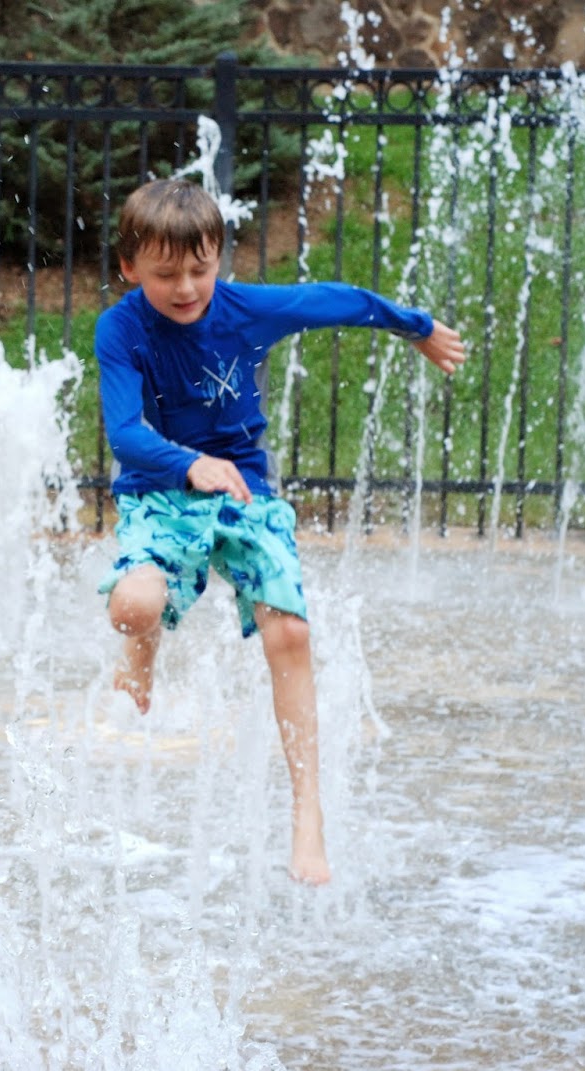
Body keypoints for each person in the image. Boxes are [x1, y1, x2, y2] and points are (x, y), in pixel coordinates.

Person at [95, 178, 466, 886]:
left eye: (200, 269)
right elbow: (125, 434)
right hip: (160, 492)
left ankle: (307, 816)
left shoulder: (243, 310)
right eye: (166, 274)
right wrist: (189, 464)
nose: (185, 288)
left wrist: (414, 325)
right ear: (129, 267)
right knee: (133, 606)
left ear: (218, 257)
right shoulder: (120, 329)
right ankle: (142, 647)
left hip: (244, 491)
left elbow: (336, 300)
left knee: (291, 632)